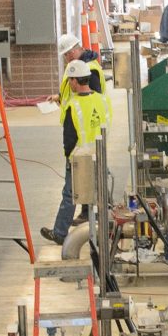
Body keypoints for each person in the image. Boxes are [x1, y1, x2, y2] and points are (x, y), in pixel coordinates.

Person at [41, 59, 109, 245]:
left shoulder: (74, 105)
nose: (69, 83)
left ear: (75, 81)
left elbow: (69, 137)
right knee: (100, 192)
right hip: (100, 153)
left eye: (70, 80)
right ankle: (106, 230)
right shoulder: (101, 98)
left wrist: (68, 157)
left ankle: (60, 233)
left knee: (70, 195)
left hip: (78, 157)